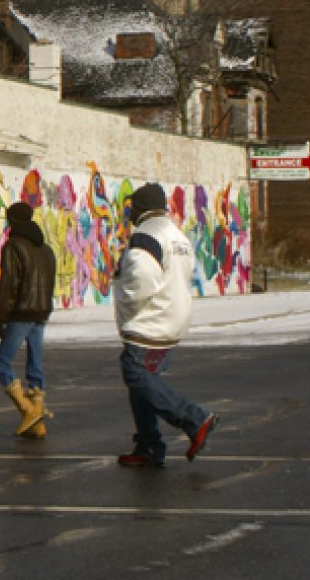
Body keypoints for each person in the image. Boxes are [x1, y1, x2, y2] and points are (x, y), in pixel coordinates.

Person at [113, 182, 218, 468]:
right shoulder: (176, 235)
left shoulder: (146, 235)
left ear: (140, 208)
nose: (129, 213)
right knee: (144, 382)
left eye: (132, 207)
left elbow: (142, 280)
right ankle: (148, 444)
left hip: (150, 321)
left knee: (136, 374)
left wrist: (123, 292)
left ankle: (194, 420)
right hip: (172, 318)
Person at [0, 200, 57, 439]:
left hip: (22, 312)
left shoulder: (13, 246)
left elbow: (9, 285)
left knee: (1, 363)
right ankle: (36, 425)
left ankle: (29, 411)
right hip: (41, 311)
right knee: (35, 368)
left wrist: (0, 318)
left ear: (12, 220)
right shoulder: (46, 249)